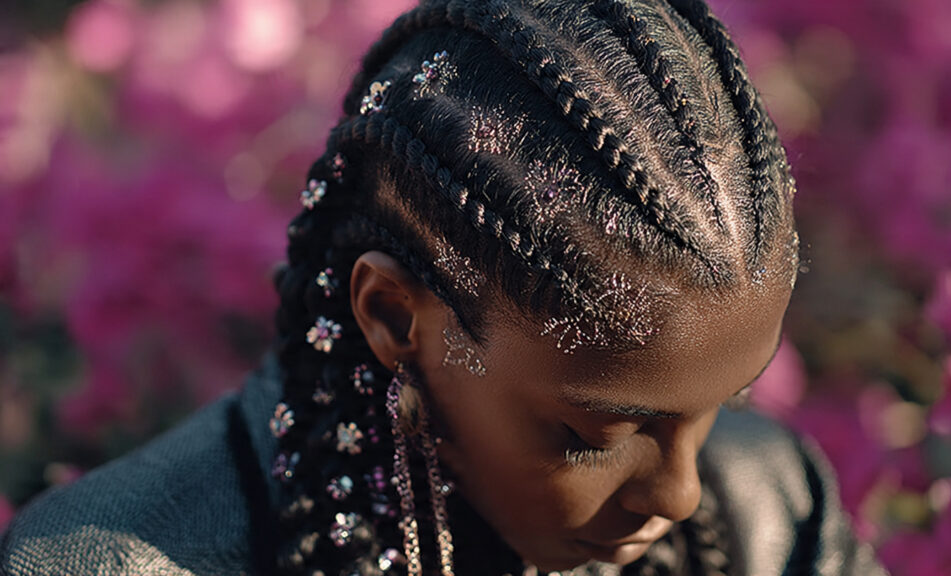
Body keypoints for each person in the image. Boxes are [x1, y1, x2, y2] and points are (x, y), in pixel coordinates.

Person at [0, 0, 887, 574]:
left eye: (725, 403)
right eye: (591, 433)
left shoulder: (775, 517)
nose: (682, 494)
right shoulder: (117, 562)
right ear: (394, 318)